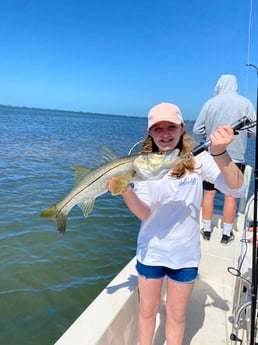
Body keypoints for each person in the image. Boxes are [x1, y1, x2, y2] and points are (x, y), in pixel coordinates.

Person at [108, 102, 245, 345]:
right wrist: (126, 190)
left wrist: (221, 153)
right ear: (149, 133)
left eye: (171, 127)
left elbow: (238, 187)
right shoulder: (142, 165)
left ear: (182, 128)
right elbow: (145, 213)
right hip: (151, 252)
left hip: (185, 255)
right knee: (147, 312)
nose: (165, 134)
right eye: (158, 129)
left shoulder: (198, 160)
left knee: (177, 315)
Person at [193, 74, 256, 245]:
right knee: (230, 196)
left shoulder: (210, 103)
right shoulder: (246, 103)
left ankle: (206, 230)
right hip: (234, 158)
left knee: (209, 193)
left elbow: (197, 130)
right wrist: (240, 136)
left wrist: (211, 136)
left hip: (211, 154)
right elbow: (254, 130)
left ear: (219, 85)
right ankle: (226, 235)